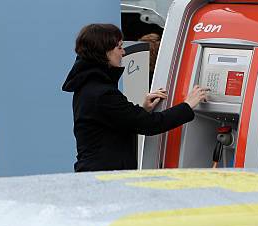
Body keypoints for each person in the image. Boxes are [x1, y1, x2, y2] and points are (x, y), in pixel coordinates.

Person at [62, 23, 208, 172]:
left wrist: (144, 109)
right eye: (119, 47)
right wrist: (187, 105)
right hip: (104, 179)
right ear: (104, 52)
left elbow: (117, 122)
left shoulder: (89, 86)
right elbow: (150, 125)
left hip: (96, 173)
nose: (123, 52)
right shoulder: (103, 93)